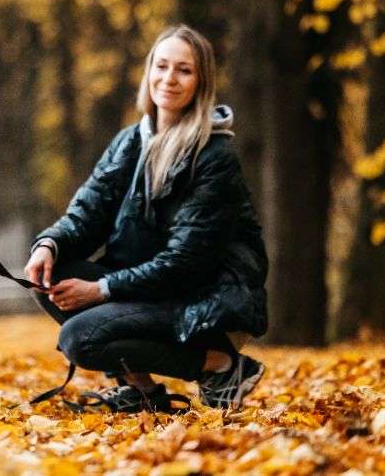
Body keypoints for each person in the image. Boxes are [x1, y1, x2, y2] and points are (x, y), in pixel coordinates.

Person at [24, 24, 268, 413]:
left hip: (203, 300)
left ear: (201, 82)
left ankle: (221, 364)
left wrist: (101, 288)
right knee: (47, 277)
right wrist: (48, 245)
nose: (169, 79)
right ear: (149, 71)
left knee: (80, 339)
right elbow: (87, 214)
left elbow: (186, 264)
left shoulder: (214, 156)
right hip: (149, 290)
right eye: (162, 66)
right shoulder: (129, 142)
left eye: (184, 70)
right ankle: (142, 393)